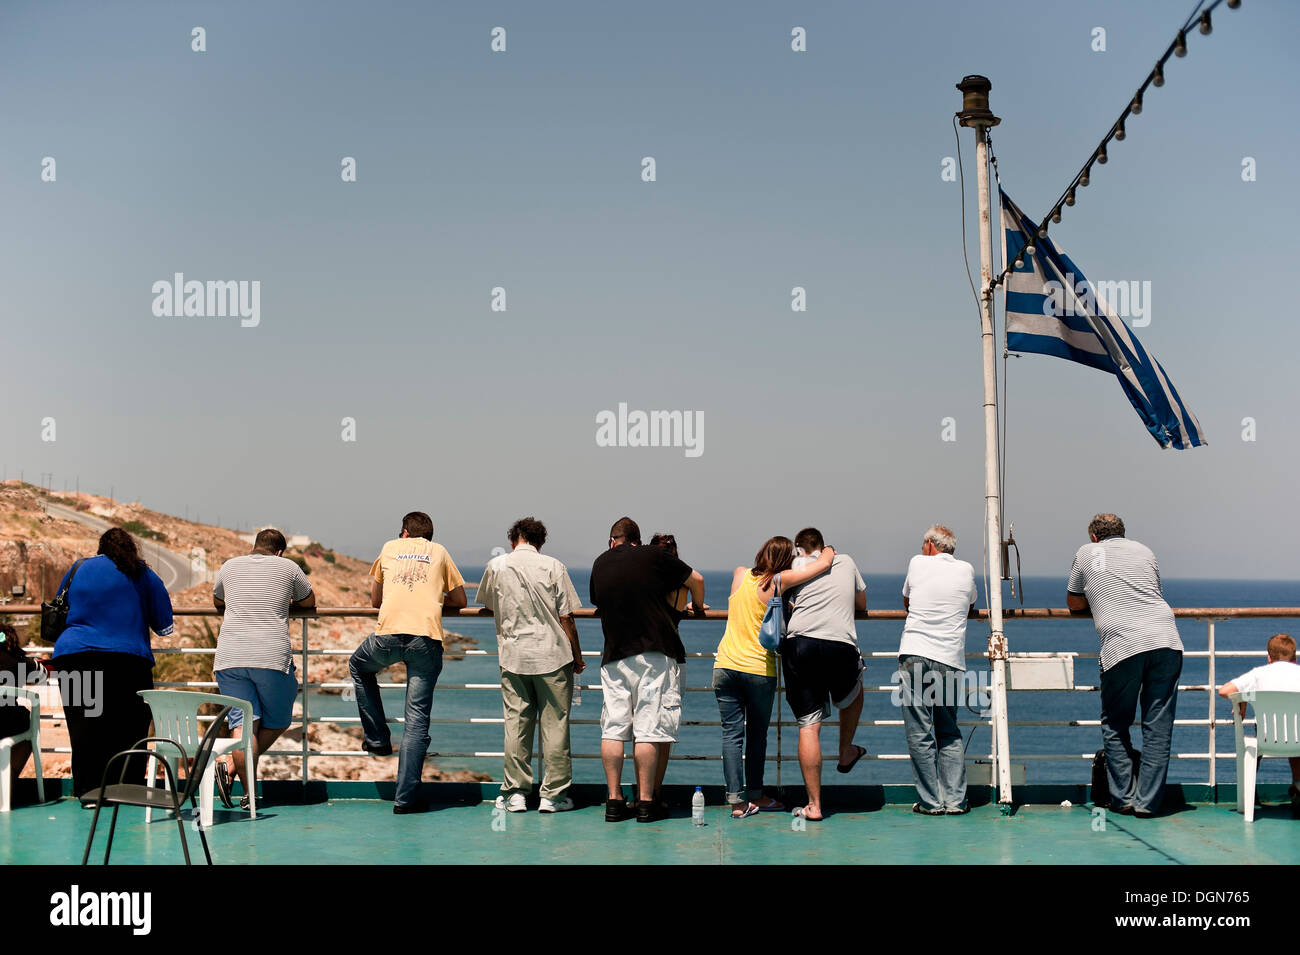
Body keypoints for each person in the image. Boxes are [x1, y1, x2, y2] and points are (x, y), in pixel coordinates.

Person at [349, 511, 466, 814]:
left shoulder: (389, 548)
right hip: (425, 640)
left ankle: (376, 739)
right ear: (428, 536)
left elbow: (375, 600)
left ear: (404, 533)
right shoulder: (439, 552)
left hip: (387, 637)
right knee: (416, 722)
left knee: (359, 667)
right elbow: (460, 601)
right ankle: (405, 800)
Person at [1067, 513, 1183, 818]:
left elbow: (1074, 603)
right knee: (1157, 727)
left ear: (1094, 536)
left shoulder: (1085, 552)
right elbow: (1152, 592)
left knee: (1116, 723)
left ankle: (1124, 798)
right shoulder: (1145, 551)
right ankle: (1148, 803)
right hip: (1166, 640)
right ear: (1123, 533)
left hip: (1122, 645)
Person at [590, 517, 705, 823]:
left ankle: (614, 801)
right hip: (654, 654)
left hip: (613, 656)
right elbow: (697, 579)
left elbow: (598, 601)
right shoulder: (652, 556)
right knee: (649, 730)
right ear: (637, 541)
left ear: (612, 540)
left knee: (613, 728)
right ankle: (645, 803)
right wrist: (700, 605)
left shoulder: (599, 563)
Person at [713, 537, 834, 818]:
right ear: (785, 560)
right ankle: (756, 795)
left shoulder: (740, 574)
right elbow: (822, 566)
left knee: (732, 735)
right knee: (757, 736)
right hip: (757, 669)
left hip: (724, 664)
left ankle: (736, 803)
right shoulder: (778, 582)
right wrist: (828, 550)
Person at [49, 529, 173, 797]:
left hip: (74, 657)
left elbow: (62, 603)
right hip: (127, 660)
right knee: (131, 726)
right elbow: (165, 627)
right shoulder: (142, 573)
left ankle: (88, 792)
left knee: (84, 727)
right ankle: (126, 788)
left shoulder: (79, 567)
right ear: (131, 547)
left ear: (100, 548)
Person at [476, 517, 584, 813]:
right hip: (553, 656)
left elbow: (488, 604)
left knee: (517, 726)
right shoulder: (554, 566)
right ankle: (553, 796)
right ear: (540, 542)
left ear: (513, 539)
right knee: (556, 727)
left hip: (514, 656)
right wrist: (578, 656)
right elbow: (567, 617)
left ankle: (516, 794)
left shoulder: (496, 566)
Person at [211, 528, 315, 810]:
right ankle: (230, 764)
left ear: (254, 546)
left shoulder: (229, 566)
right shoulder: (289, 567)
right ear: (280, 551)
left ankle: (247, 793)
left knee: (243, 725)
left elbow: (218, 601)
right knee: (279, 722)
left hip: (230, 656)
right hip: (271, 657)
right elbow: (309, 601)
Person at [781, 527, 867, 822]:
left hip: (800, 643)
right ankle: (845, 749)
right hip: (840, 644)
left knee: (809, 726)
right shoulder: (847, 561)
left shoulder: (795, 566)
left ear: (799, 549)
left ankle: (814, 806)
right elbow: (861, 604)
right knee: (855, 690)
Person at [896, 525, 979, 815]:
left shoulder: (917, 563)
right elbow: (971, 602)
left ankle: (931, 802)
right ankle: (956, 801)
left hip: (916, 654)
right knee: (948, 730)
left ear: (931, 545)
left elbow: (907, 601)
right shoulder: (966, 570)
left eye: (923, 544)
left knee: (920, 731)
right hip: (949, 660)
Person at [1217, 632, 1300, 816]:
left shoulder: (1258, 674)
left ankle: (1248, 791)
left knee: (1257, 737)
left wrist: (1244, 701)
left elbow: (1224, 691)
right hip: (1298, 742)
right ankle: (1298, 786)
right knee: (1295, 729)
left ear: (1269, 657)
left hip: (1266, 740)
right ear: (1295, 658)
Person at [0, 624, 41, 792]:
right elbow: (41, 675)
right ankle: (6, 782)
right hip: (7, 722)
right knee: (28, 727)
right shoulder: (18, 661)